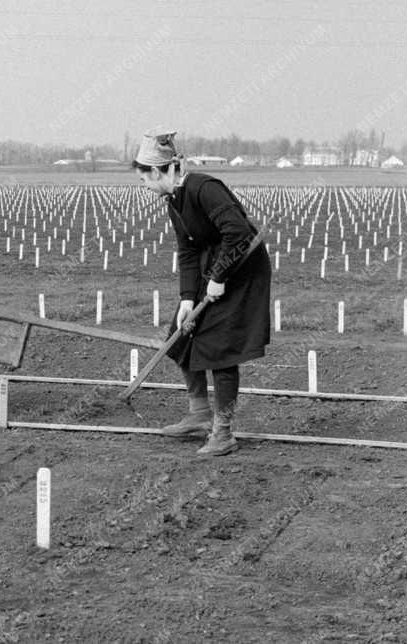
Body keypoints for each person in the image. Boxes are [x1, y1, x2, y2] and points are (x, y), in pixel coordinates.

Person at [132, 129, 271, 456]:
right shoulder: (174, 201)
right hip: (215, 265)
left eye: (144, 180)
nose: (144, 187)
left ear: (156, 171)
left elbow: (237, 232)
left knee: (220, 349)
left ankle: (223, 433)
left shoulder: (204, 188)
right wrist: (186, 298)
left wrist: (220, 276)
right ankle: (199, 414)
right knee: (182, 333)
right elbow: (188, 252)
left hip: (243, 268)